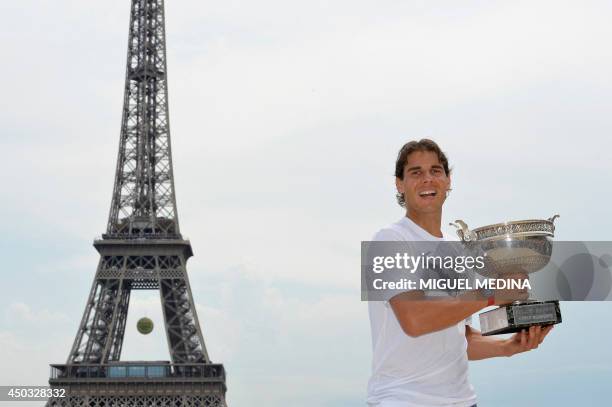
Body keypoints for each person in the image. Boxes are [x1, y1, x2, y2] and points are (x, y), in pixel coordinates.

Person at [367, 139, 553, 407]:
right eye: (416, 172)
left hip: (463, 401)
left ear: (448, 180)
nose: (427, 180)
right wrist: (490, 294)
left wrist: (508, 347)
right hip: (403, 400)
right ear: (400, 184)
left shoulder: (457, 253)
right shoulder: (390, 240)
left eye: (435, 171)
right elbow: (414, 320)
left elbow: (460, 339)